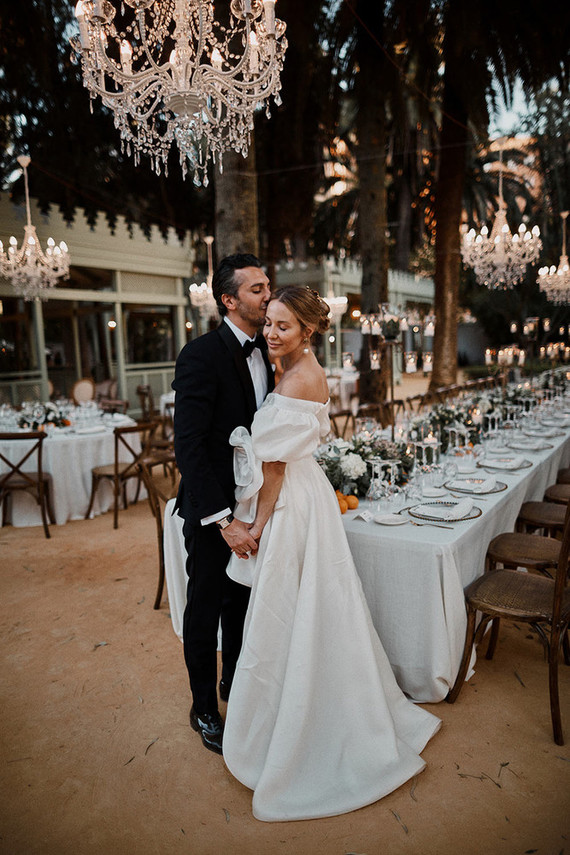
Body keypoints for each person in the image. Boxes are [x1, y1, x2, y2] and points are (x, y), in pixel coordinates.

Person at [222, 285, 441, 821]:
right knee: (313, 606)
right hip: (309, 495)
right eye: (268, 323)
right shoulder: (300, 369)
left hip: (290, 504)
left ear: (308, 330)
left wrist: (256, 524)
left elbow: (275, 466)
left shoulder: (299, 378)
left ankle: (301, 726)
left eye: (283, 326)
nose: (271, 333)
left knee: (287, 606)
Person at [172, 253, 274, 754]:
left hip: (254, 505)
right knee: (206, 608)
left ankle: (234, 683)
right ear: (229, 300)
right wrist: (223, 521)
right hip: (213, 511)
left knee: (242, 601)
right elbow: (189, 446)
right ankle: (203, 709)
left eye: (267, 286)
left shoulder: (270, 350)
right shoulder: (200, 355)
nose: (268, 295)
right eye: (257, 289)